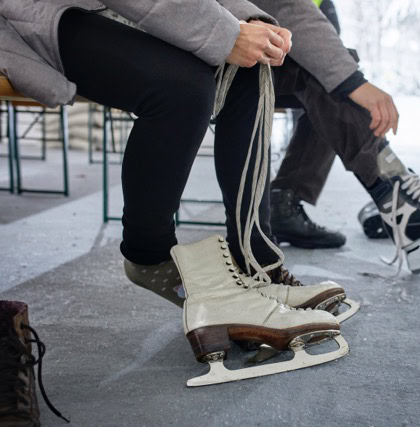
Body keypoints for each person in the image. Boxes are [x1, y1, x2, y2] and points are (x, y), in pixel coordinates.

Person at [0, 0, 354, 411]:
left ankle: (255, 262)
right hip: (35, 12)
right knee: (180, 88)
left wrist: (249, 19)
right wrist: (226, 32)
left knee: (250, 62)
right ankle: (149, 255)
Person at [251, 0, 420, 272]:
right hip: (216, 52)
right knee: (327, 74)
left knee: (327, 69)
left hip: (251, 47)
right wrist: (351, 82)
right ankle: (399, 201)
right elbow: (284, 6)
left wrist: (344, 75)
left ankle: (287, 202)